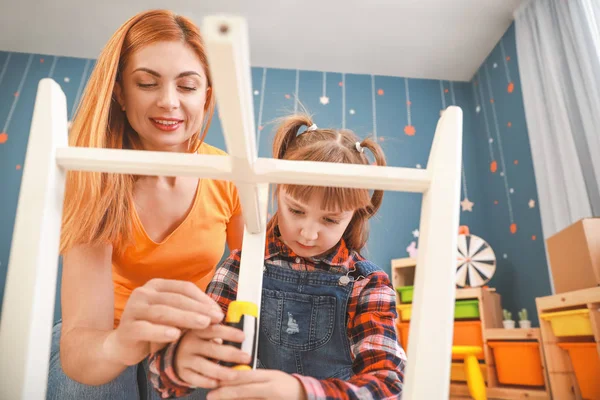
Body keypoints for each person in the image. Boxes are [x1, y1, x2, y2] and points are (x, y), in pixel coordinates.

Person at [46, 9, 251, 399]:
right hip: (103, 335)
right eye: (146, 83)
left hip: (189, 337)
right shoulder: (93, 175)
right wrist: (123, 342)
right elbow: (81, 342)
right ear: (121, 92)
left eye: (187, 87)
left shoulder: (230, 175)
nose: (169, 102)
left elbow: (257, 283)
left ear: (206, 96)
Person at [148, 114, 407, 399]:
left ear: (354, 216)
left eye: (330, 220)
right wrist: (179, 363)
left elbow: (389, 385)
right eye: (296, 210)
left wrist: (301, 392)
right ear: (277, 192)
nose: (308, 234)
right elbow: (168, 380)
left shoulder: (368, 283)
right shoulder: (239, 267)